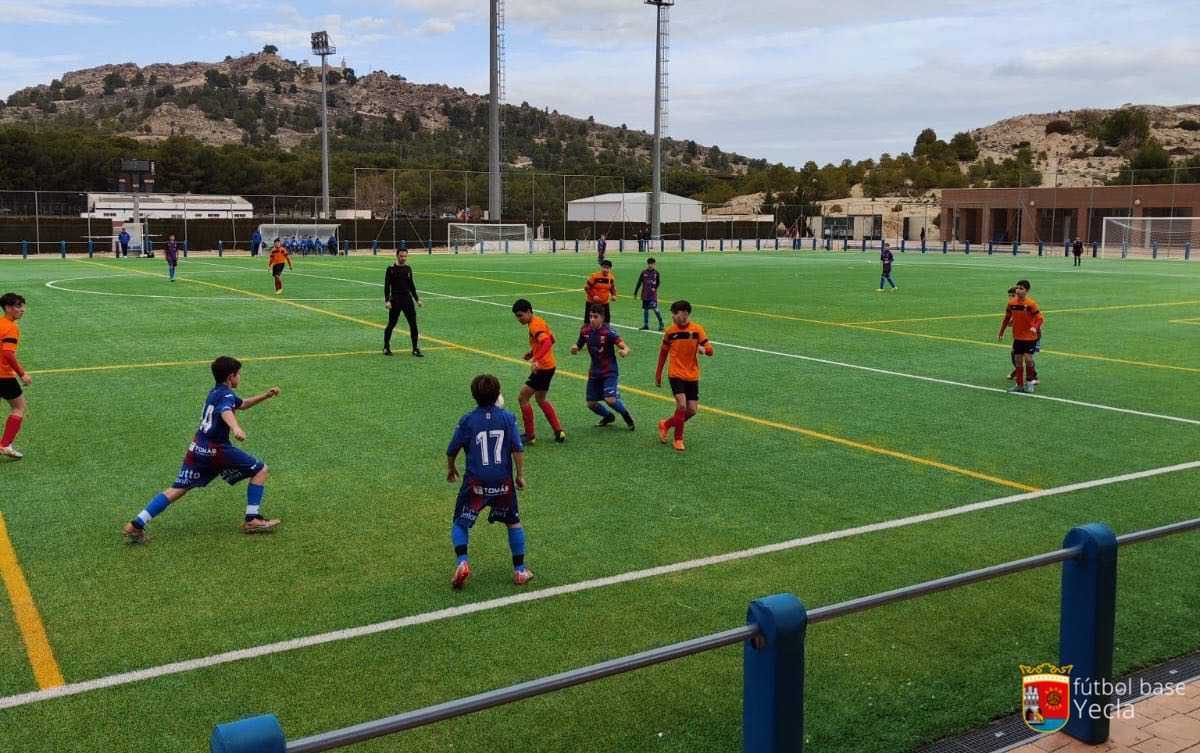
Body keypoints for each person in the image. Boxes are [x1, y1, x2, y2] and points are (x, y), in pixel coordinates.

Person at [122, 356, 281, 543]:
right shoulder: (226, 396)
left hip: (197, 447)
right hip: (217, 450)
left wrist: (265, 395)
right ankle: (252, 519)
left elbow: (242, 404)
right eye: (239, 374)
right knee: (261, 469)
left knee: (179, 487)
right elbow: (226, 411)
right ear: (231, 376)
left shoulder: (215, 392)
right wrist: (235, 428)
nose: (240, 377)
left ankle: (136, 524)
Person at [446, 373, 531, 588]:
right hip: (503, 481)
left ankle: (462, 562)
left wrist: (451, 468)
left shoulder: (467, 420)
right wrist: (519, 476)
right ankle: (520, 570)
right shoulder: (507, 418)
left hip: (476, 482)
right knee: (513, 522)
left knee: (460, 522)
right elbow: (517, 449)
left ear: (474, 395)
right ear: (497, 394)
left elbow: (452, 449)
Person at [655, 300, 713, 452]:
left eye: (675, 314)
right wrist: (658, 373)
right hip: (675, 373)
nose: (673, 317)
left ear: (684, 314)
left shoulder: (697, 330)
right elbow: (663, 353)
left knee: (692, 410)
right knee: (681, 405)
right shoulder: (670, 332)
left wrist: (704, 350)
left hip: (692, 375)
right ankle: (678, 439)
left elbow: (710, 350)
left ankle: (666, 424)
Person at [512, 299, 566, 445]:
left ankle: (530, 436)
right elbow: (552, 339)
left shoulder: (535, 325)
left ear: (529, 311)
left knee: (522, 398)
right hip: (550, 366)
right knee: (541, 399)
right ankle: (558, 431)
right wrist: (532, 352)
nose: (519, 319)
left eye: (520, 315)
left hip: (542, 368)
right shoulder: (538, 321)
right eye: (517, 316)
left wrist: (536, 358)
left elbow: (547, 342)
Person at [571, 305, 634, 430]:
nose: (592, 319)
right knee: (591, 403)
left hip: (609, 371)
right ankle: (608, 416)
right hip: (594, 371)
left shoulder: (608, 332)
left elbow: (625, 347)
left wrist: (625, 351)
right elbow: (578, 345)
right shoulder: (585, 331)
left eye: (595, 317)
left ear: (602, 318)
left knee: (610, 400)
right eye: (590, 316)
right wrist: (575, 348)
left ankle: (626, 415)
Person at [0, 293, 31, 460]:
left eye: (22, 306)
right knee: (19, 407)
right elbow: (8, 354)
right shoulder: (11, 328)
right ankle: (5, 445)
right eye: (18, 306)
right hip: (3, 376)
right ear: (7, 308)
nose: (22, 310)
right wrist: (23, 374)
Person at [999, 279, 1043, 394]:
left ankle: (1029, 382)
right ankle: (1019, 385)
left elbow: (1040, 318)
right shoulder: (1011, 303)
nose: (1018, 290)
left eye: (1021, 288)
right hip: (1017, 337)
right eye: (1017, 288)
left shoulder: (1031, 304)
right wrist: (1001, 332)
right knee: (1018, 360)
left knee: (1028, 359)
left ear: (1027, 291)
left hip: (1030, 337)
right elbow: (1006, 318)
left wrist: (1034, 326)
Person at [383, 249, 423, 357]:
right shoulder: (390, 269)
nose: (403, 258)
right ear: (397, 256)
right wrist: (387, 301)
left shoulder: (408, 269)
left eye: (405, 256)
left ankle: (415, 348)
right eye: (401, 256)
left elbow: (411, 286)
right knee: (391, 324)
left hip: (407, 299)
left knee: (413, 324)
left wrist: (417, 299)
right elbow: (387, 286)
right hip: (395, 299)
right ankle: (386, 347)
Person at [1005, 286, 1040, 385]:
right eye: (1009, 296)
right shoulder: (1014, 305)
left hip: (1032, 334)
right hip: (1020, 335)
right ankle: (1019, 374)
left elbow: (1036, 319)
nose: (1010, 298)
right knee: (1016, 355)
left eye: (1012, 295)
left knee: (1028, 357)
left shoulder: (1028, 304)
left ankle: (1033, 376)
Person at [633, 256, 664, 330]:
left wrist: (654, 289)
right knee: (645, 309)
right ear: (647, 264)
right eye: (649, 264)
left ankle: (661, 323)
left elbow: (658, 282)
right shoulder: (644, 272)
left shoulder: (656, 273)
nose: (650, 265)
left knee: (655, 308)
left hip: (652, 295)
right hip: (645, 294)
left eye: (652, 264)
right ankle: (646, 325)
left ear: (654, 264)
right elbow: (639, 282)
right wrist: (635, 292)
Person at [584, 258, 616, 323]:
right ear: (601, 267)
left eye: (607, 268)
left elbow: (612, 287)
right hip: (592, 303)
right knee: (589, 322)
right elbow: (586, 287)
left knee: (606, 322)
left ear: (610, 269)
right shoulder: (595, 276)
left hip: (604, 303)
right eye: (604, 267)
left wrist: (613, 295)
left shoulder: (611, 278)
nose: (605, 270)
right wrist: (593, 296)